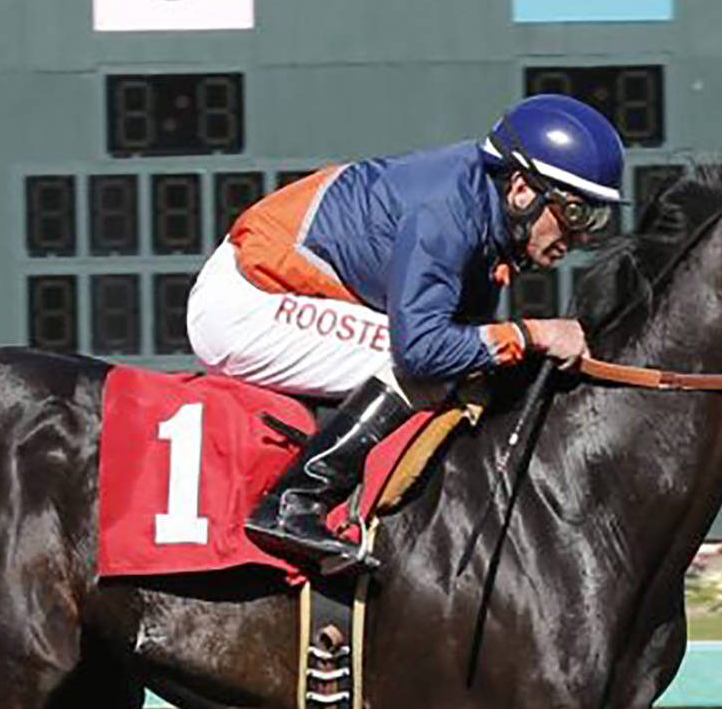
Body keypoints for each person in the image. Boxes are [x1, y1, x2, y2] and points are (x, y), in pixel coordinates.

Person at [186, 94, 625, 571]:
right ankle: (293, 504)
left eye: (597, 219)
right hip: (246, 303)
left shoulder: (485, 208)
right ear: (522, 189)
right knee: (422, 367)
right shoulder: (447, 214)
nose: (581, 237)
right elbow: (421, 351)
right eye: (577, 214)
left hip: (282, 292)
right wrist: (530, 334)